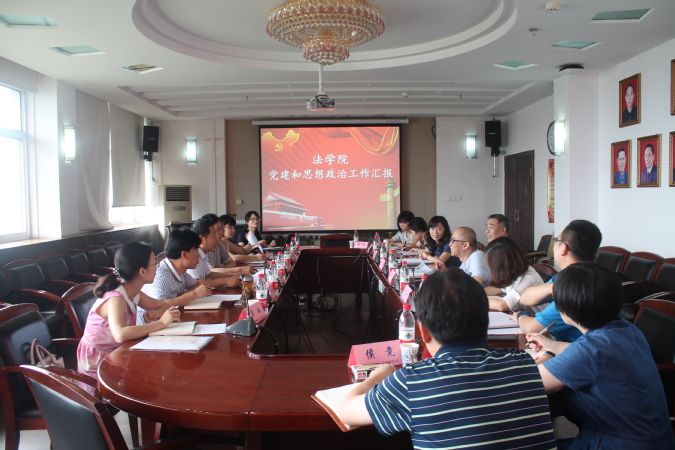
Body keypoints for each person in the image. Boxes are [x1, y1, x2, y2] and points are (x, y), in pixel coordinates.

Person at [336, 268, 556, 449]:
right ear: (487, 320)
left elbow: (345, 411)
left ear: (423, 331)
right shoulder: (524, 364)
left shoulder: (412, 382)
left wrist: (377, 377)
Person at [528, 263, 674, 449]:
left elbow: (532, 381)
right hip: (652, 440)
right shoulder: (627, 329)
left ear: (566, 310)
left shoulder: (590, 350)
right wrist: (551, 345)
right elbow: (587, 354)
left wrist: (548, 354)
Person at [77, 242, 182, 381]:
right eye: (154, 263)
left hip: (118, 351)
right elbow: (120, 334)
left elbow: (160, 304)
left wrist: (158, 312)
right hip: (98, 360)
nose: (157, 267)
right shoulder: (116, 298)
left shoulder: (133, 290)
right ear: (142, 271)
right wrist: (161, 323)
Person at [517, 219, 602, 342]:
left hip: (580, 350)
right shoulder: (566, 277)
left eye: (556, 240)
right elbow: (525, 298)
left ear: (563, 248)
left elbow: (531, 328)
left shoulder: (577, 287)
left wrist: (520, 315)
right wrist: (556, 287)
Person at [140, 229, 211, 323]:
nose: (199, 255)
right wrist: (193, 294)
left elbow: (197, 286)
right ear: (184, 254)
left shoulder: (182, 271)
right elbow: (159, 310)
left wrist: (189, 295)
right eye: (196, 250)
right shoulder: (161, 276)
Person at [484, 236, 545, 312]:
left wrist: (477, 299)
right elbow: (499, 289)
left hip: (535, 318)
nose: (488, 266)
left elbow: (503, 305)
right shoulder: (514, 272)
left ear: (500, 264)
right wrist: (476, 292)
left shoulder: (529, 279)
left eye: (490, 263)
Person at [187, 217, 241, 288]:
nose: (217, 238)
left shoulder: (202, 254)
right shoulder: (193, 256)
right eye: (213, 235)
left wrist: (233, 276)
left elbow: (209, 275)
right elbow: (196, 284)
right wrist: (224, 281)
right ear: (201, 239)